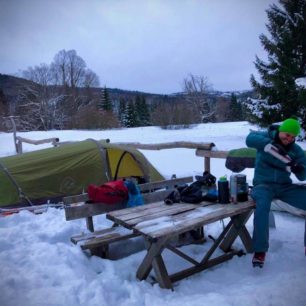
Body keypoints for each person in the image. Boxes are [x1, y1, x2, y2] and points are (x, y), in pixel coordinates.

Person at [246, 118, 306, 267]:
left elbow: (303, 175)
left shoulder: (295, 150)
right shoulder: (266, 135)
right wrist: (270, 145)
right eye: (287, 134)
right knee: (262, 207)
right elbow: (249, 139)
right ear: (280, 130)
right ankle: (260, 251)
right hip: (263, 185)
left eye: (293, 136)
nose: (289, 139)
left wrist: (299, 168)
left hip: (284, 187)